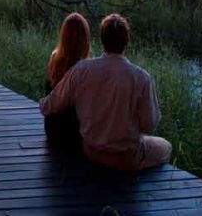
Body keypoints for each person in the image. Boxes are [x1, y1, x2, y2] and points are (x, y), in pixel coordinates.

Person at [39, 13, 172, 171]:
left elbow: (49, 105)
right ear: (126, 41)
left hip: (91, 152)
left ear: (102, 40)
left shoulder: (82, 70)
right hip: (127, 157)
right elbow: (149, 124)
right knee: (166, 146)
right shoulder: (141, 77)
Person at [43, 13, 91, 146]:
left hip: (53, 129)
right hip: (76, 134)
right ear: (85, 39)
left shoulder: (54, 59)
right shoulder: (86, 68)